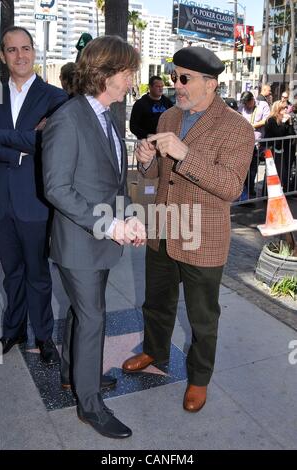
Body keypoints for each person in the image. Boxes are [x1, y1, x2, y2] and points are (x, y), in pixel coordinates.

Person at [122, 46, 255, 413]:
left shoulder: (236, 128)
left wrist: (185, 153)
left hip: (204, 237)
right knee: (156, 302)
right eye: (175, 77)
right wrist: (145, 161)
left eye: (185, 78)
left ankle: (198, 378)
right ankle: (154, 350)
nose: (175, 85)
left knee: (202, 317)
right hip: (164, 227)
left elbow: (230, 186)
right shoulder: (167, 118)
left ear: (210, 84)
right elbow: (155, 176)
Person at [42, 35, 146, 439]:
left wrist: (127, 220)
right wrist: (110, 225)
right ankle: (89, 405)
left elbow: (110, 184)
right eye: (128, 72)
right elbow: (57, 188)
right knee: (92, 318)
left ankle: (76, 374)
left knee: (84, 314)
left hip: (100, 240)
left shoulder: (105, 115)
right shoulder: (69, 118)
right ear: (106, 74)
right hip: (80, 244)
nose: (132, 79)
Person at [0, 26, 67, 363]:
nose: (20, 56)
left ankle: (44, 336)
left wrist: (5, 140)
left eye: (26, 48)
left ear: (34, 52)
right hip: (1, 202)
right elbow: (31, 141)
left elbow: (48, 141)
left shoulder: (54, 97)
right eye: (12, 50)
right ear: (2, 55)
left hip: (35, 201)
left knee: (38, 274)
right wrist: (21, 145)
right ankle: (12, 330)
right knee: (11, 272)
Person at [238, 91, 270, 197]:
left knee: (252, 170)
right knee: (243, 169)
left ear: (252, 99)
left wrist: (252, 125)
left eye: (247, 102)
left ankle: (249, 192)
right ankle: (244, 192)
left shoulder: (263, 105)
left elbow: (267, 120)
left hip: (257, 144)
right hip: (243, 143)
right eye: (244, 103)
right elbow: (237, 117)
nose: (246, 105)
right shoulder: (242, 106)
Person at [265, 100, 295, 192]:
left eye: (286, 107)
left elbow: (291, 134)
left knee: (282, 172)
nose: (286, 110)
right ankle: (267, 194)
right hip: (272, 149)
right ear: (277, 109)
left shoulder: (284, 120)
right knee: (272, 173)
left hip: (282, 150)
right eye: (283, 108)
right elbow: (279, 134)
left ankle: (281, 191)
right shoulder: (271, 120)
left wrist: (289, 123)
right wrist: (283, 121)